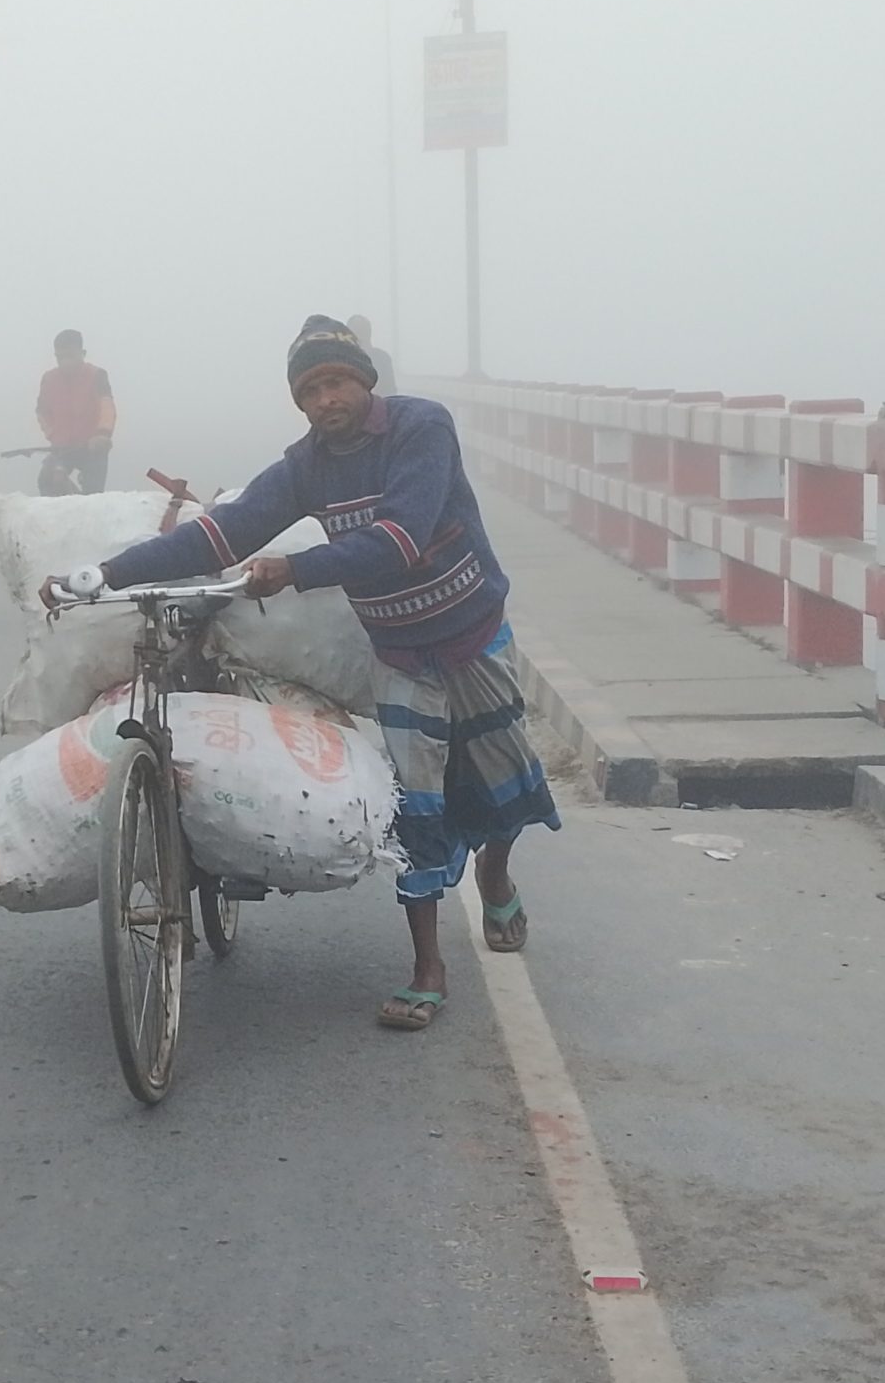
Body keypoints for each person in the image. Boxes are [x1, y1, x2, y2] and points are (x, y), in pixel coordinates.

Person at [54, 315, 558, 1030]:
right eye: (311, 388)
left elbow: (400, 539)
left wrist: (295, 570)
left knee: (505, 778)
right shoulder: (306, 467)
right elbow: (218, 535)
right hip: (400, 652)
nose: (327, 398)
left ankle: (496, 871)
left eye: (337, 380)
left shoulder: (421, 430)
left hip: (472, 632)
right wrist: (104, 573)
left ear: (365, 381)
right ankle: (427, 967)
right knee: (419, 807)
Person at [34, 329, 117, 493]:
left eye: (70, 356)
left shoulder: (96, 375)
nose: (65, 362)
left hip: (93, 447)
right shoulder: (49, 379)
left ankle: (86, 507)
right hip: (62, 448)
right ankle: (60, 511)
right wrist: (53, 435)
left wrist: (103, 434)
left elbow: (107, 406)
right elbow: (42, 412)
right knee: (46, 479)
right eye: (60, 357)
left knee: (93, 493)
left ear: (83, 353)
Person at [348, 313, 396, 397]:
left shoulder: (382, 358)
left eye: (362, 330)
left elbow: (389, 390)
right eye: (356, 330)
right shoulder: (341, 359)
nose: (359, 334)